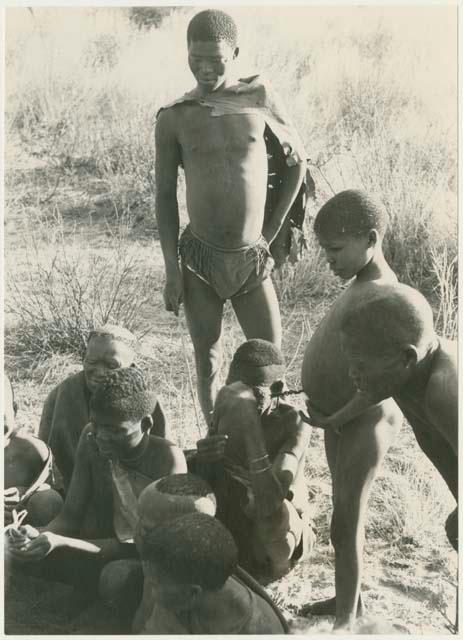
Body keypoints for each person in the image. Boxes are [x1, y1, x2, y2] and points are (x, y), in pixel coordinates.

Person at [155, 9, 308, 423]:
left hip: (250, 259)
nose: (205, 68)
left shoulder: (258, 102)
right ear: (185, 53)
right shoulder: (174, 117)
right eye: (195, 58)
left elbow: (298, 163)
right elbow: (165, 195)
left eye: (216, 59)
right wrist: (172, 269)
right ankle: (214, 437)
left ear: (235, 52)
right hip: (200, 259)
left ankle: (267, 434)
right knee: (206, 359)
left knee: (270, 358)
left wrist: (272, 232)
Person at [6, 368, 186, 630]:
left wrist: (60, 542)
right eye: (97, 425)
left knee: (115, 577)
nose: (101, 435)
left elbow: (149, 548)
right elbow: (70, 515)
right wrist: (40, 534)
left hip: (149, 560)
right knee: (31, 556)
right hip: (101, 541)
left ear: (146, 424)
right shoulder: (91, 438)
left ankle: (110, 613)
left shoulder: (168, 460)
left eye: (114, 430)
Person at [299, 190, 403, 630]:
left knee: (348, 519)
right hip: (338, 417)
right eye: (325, 250)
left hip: (363, 419)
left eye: (336, 250)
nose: (329, 260)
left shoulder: (386, 295)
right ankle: (349, 600)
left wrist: (334, 417)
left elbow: (382, 384)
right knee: (340, 517)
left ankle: (346, 626)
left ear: (371, 239)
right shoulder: (361, 284)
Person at [337, 283, 457, 552]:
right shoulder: (406, 372)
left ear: (406, 357)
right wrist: (335, 419)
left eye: (361, 366)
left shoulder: (444, 392)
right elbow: (370, 392)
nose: (352, 374)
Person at [195, 339, 313, 582]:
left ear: (278, 388)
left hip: (278, 524)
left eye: (253, 394)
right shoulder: (229, 397)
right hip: (236, 510)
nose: (240, 399)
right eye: (235, 388)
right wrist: (206, 456)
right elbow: (212, 474)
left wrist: (249, 427)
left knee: (273, 520)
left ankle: (278, 574)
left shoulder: (294, 423)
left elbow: (269, 502)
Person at [39, 324, 166, 491]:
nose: (99, 372)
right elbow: (45, 455)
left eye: (111, 365)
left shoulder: (145, 400)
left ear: (131, 367)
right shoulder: (64, 394)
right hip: (72, 493)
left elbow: (159, 461)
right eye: (92, 362)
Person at [139, 512, 287, 633]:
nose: (150, 591)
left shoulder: (260, 630)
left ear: (193, 593)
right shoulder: (181, 591)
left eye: (154, 585)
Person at [4, 374, 62, 527]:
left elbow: (57, 492)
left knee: (48, 500)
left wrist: (26, 493)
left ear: (14, 410)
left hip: (18, 529)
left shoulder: (32, 450)